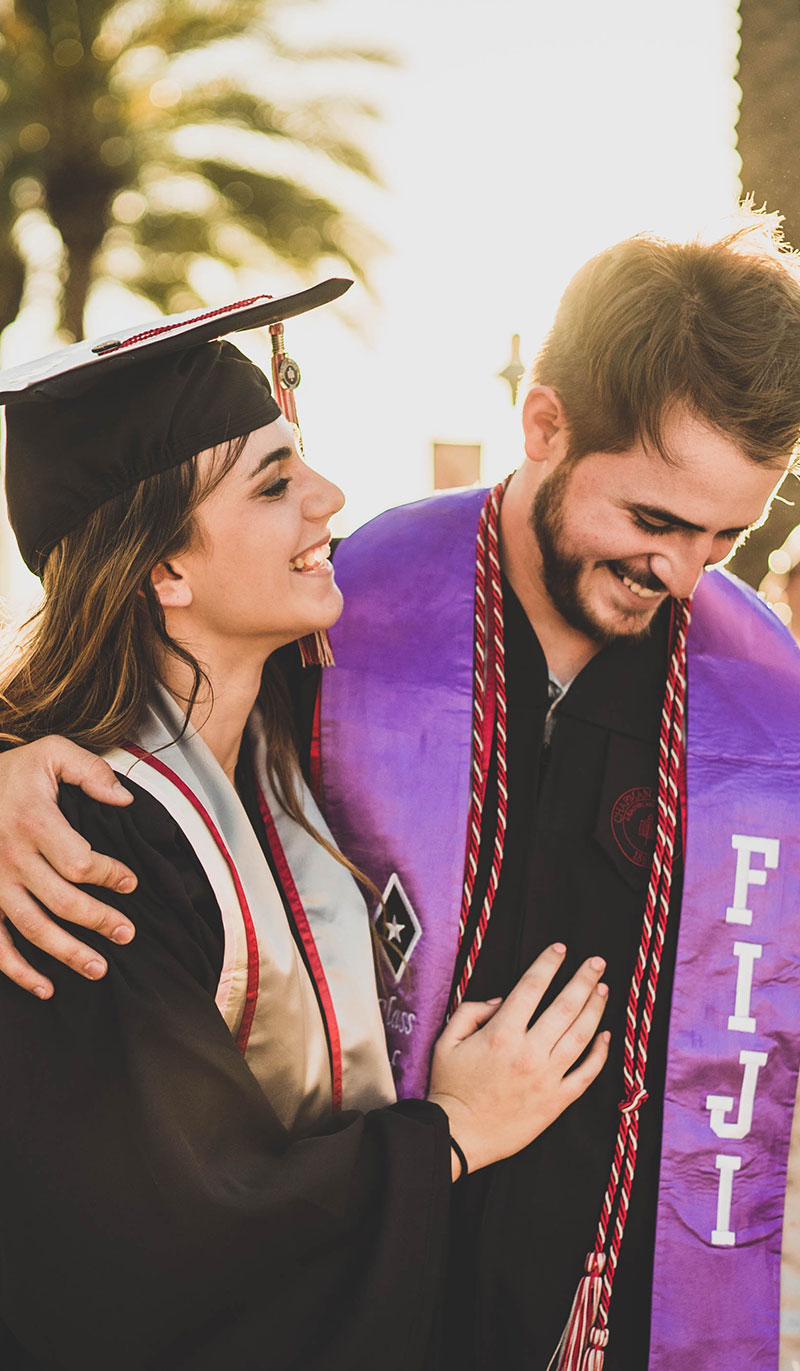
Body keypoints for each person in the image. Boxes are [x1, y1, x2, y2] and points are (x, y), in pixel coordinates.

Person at [3, 211, 800, 1370]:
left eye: (725, 538)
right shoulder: (349, 621)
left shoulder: (762, 707)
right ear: (542, 426)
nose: (681, 575)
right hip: (357, 1293)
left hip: (609, 1306)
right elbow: (127, 686)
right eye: (651, 520)